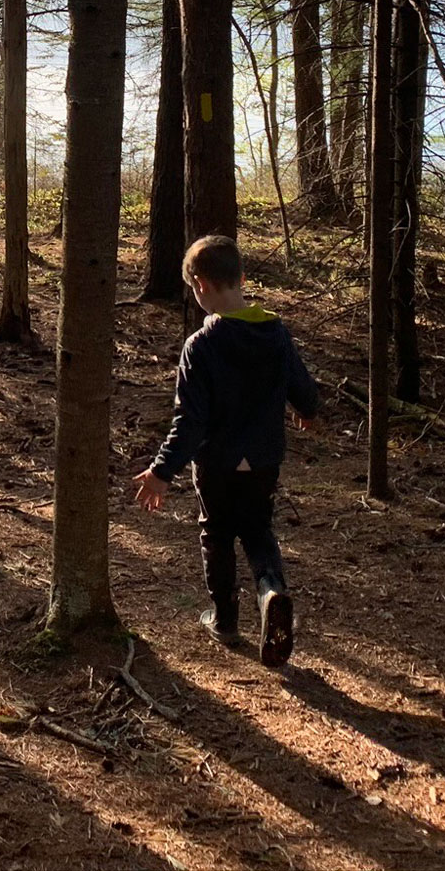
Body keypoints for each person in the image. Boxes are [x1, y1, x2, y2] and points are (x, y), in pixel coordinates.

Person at [132, 234, 318, 666]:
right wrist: (307, 410)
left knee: (216, 534)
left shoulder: (201, 346)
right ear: (242, 278)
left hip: (217, 462)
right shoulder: (276, 334)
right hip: (265, 458)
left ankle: (225, 620)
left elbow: (191, 421)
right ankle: (271, 589)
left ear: (199, 285)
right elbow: (302, 386)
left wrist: (162, 471)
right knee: (257, 531)